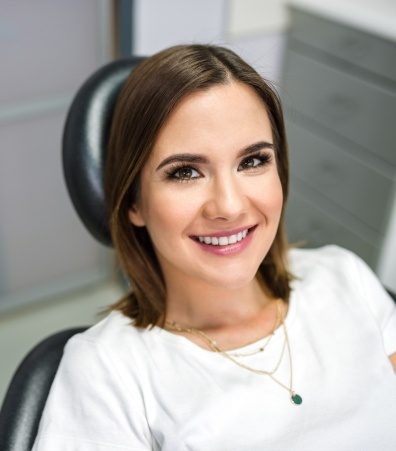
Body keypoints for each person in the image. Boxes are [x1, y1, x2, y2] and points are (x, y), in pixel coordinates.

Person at [33, 44, 396, 450]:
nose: (230, 205)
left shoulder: (345, 278)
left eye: (252, 161)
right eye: (186, 172)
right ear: (133, 201)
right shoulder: (105, 371)